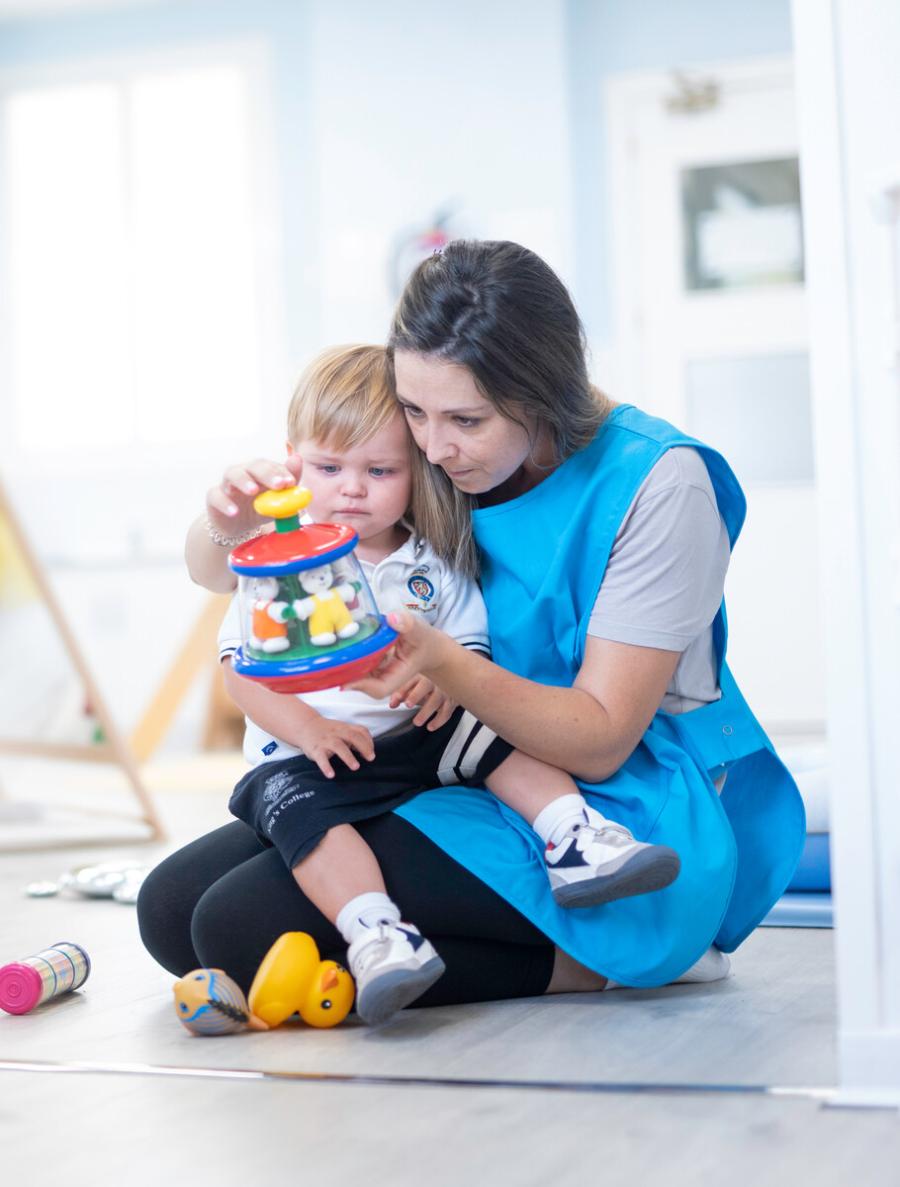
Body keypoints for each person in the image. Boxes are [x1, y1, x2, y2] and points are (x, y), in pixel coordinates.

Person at [138, 240, 804, 1008]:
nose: (433, 444)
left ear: (543, 394)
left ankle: (598, 960)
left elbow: (600, 738)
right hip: (437, 762)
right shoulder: (437, 458)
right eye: (415, 412)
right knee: (169, 911)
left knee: (234, 926)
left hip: (606, 797)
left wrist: (444, 666)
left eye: (465, 419)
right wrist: (229, 517)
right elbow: (221, 570)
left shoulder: (659, 484)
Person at [210, 345, 680, 1024]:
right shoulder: (277, 566)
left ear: (414, 472)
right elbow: (241, 674)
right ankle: (376, 931)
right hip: (310, 759)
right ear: (293, 464)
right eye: (328, 468)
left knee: (493, 730)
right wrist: (309, 729)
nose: (351, 489)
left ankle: (573, 834)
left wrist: (445, 683)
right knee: (300, 816)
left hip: (417, 744)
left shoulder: (429, 562)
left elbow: (469, 654)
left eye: (379, 470)